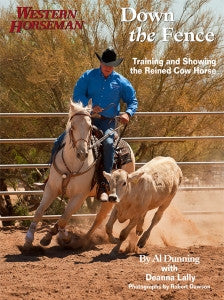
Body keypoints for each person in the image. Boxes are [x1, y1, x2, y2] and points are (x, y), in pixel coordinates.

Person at [48, 47, 138, 201]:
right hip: (85, 120)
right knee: (60, 140)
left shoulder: (121, 82)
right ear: (100, 63)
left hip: (107, 123)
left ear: (114, 65)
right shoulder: (88, 76)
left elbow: (132, 100)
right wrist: (90, 106)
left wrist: (127, 113)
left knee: (109, 144)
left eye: (111, 65)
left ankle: (103, 185)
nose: (108, 68)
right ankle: (49, 177)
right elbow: (78, 95)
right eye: (105, 64)